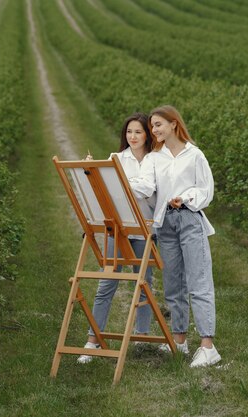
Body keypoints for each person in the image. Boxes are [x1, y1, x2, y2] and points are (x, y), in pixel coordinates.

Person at [131, 104, 221, 368]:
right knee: (173, 284)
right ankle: (179, 340)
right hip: (165, 223)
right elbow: (146, 185)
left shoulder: (195, 155)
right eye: (152, 126)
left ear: (173, 124)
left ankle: (207, 345)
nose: (154, 130)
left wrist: (187, 198)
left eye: (158, 124)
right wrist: (119, 178)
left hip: (189, 218)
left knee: (199, 281)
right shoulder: (153, 158)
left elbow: (206, 190)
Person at [77, 112, 158, 364]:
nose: (132, 136)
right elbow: (107, 189)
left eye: (138, 132)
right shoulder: (116, 158)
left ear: (148, 135)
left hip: (144, 228)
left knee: (144, 284)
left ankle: (142, 337)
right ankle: (93, 340)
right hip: (118, 226)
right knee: (107, 281)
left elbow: (148, 188)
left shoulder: (156, 159)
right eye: (129, 132)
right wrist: (99, 174)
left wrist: (118, 181)